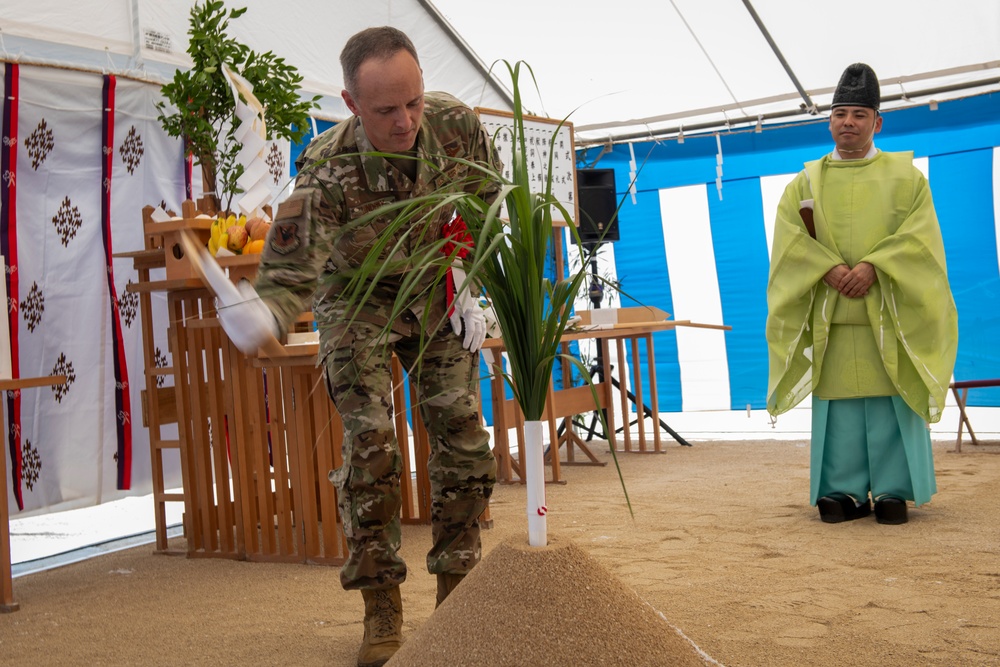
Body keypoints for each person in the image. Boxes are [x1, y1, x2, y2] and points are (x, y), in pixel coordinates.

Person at [215, 27, 501, 667]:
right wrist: (267, 313)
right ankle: (382, 615)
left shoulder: (456, 124)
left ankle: (454, 608)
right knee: (371, 444)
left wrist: (465, 271)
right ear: (349, 103)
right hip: (359, 296)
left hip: (434, 285)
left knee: (463, 439)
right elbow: (292, 266)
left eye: (413, 103)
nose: (405, 122)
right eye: (385, 111)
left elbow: (486, 200)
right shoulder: (324, 165)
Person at [766, 62, 958, 527]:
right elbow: (790, 241)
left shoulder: (907, 178)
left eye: (858, 113)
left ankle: (895, 490)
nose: (847, 122)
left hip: (889, 313)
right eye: (839, 113)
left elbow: (921, 241)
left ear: (877, 121)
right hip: (833, 314)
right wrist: (827, 268)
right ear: (829, 120)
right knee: (840, 406)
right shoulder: (805, 182)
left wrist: (876, 266)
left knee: (892, 398)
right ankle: (841, 490)